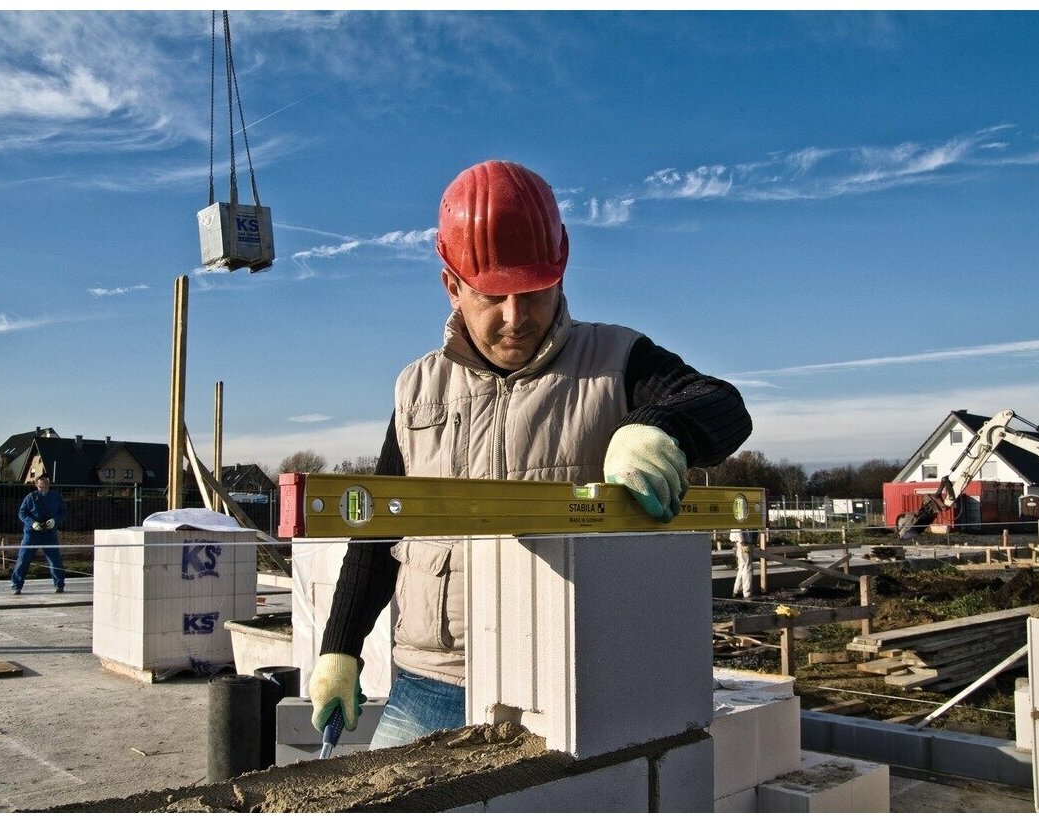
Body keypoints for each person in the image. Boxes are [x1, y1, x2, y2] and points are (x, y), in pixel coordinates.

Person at [308, 159, 753, 749]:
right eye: (493, 296)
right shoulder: (416, 389)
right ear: (453, 285)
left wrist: (658, 430)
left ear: (561, 276)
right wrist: (340, 647)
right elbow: (380, 529)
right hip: (430, 683)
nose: (516, 318)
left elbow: (723, 406)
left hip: (565, 681)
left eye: (534, 292)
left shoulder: (616, 360)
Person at [11, 475, 67, 594]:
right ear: (36, 484)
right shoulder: (30, 497)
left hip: (49, 533)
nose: (44, 485)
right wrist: (32, 523)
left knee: (54, 560)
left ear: (49, 484)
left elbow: (63, 512)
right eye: (41, 483)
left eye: (46, 482)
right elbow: (22, 513)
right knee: (24, 558)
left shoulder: (56, 497)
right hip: (32, 533)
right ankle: (16, 585)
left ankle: (59, 585)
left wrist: (55, 520)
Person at [730, 528, 754, 599]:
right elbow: (739, 529)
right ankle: (747, 593)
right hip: (744, 543)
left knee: (742, 568)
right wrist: (743, 542)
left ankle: (736, 591)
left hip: (740, 543)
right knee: (747, 568)